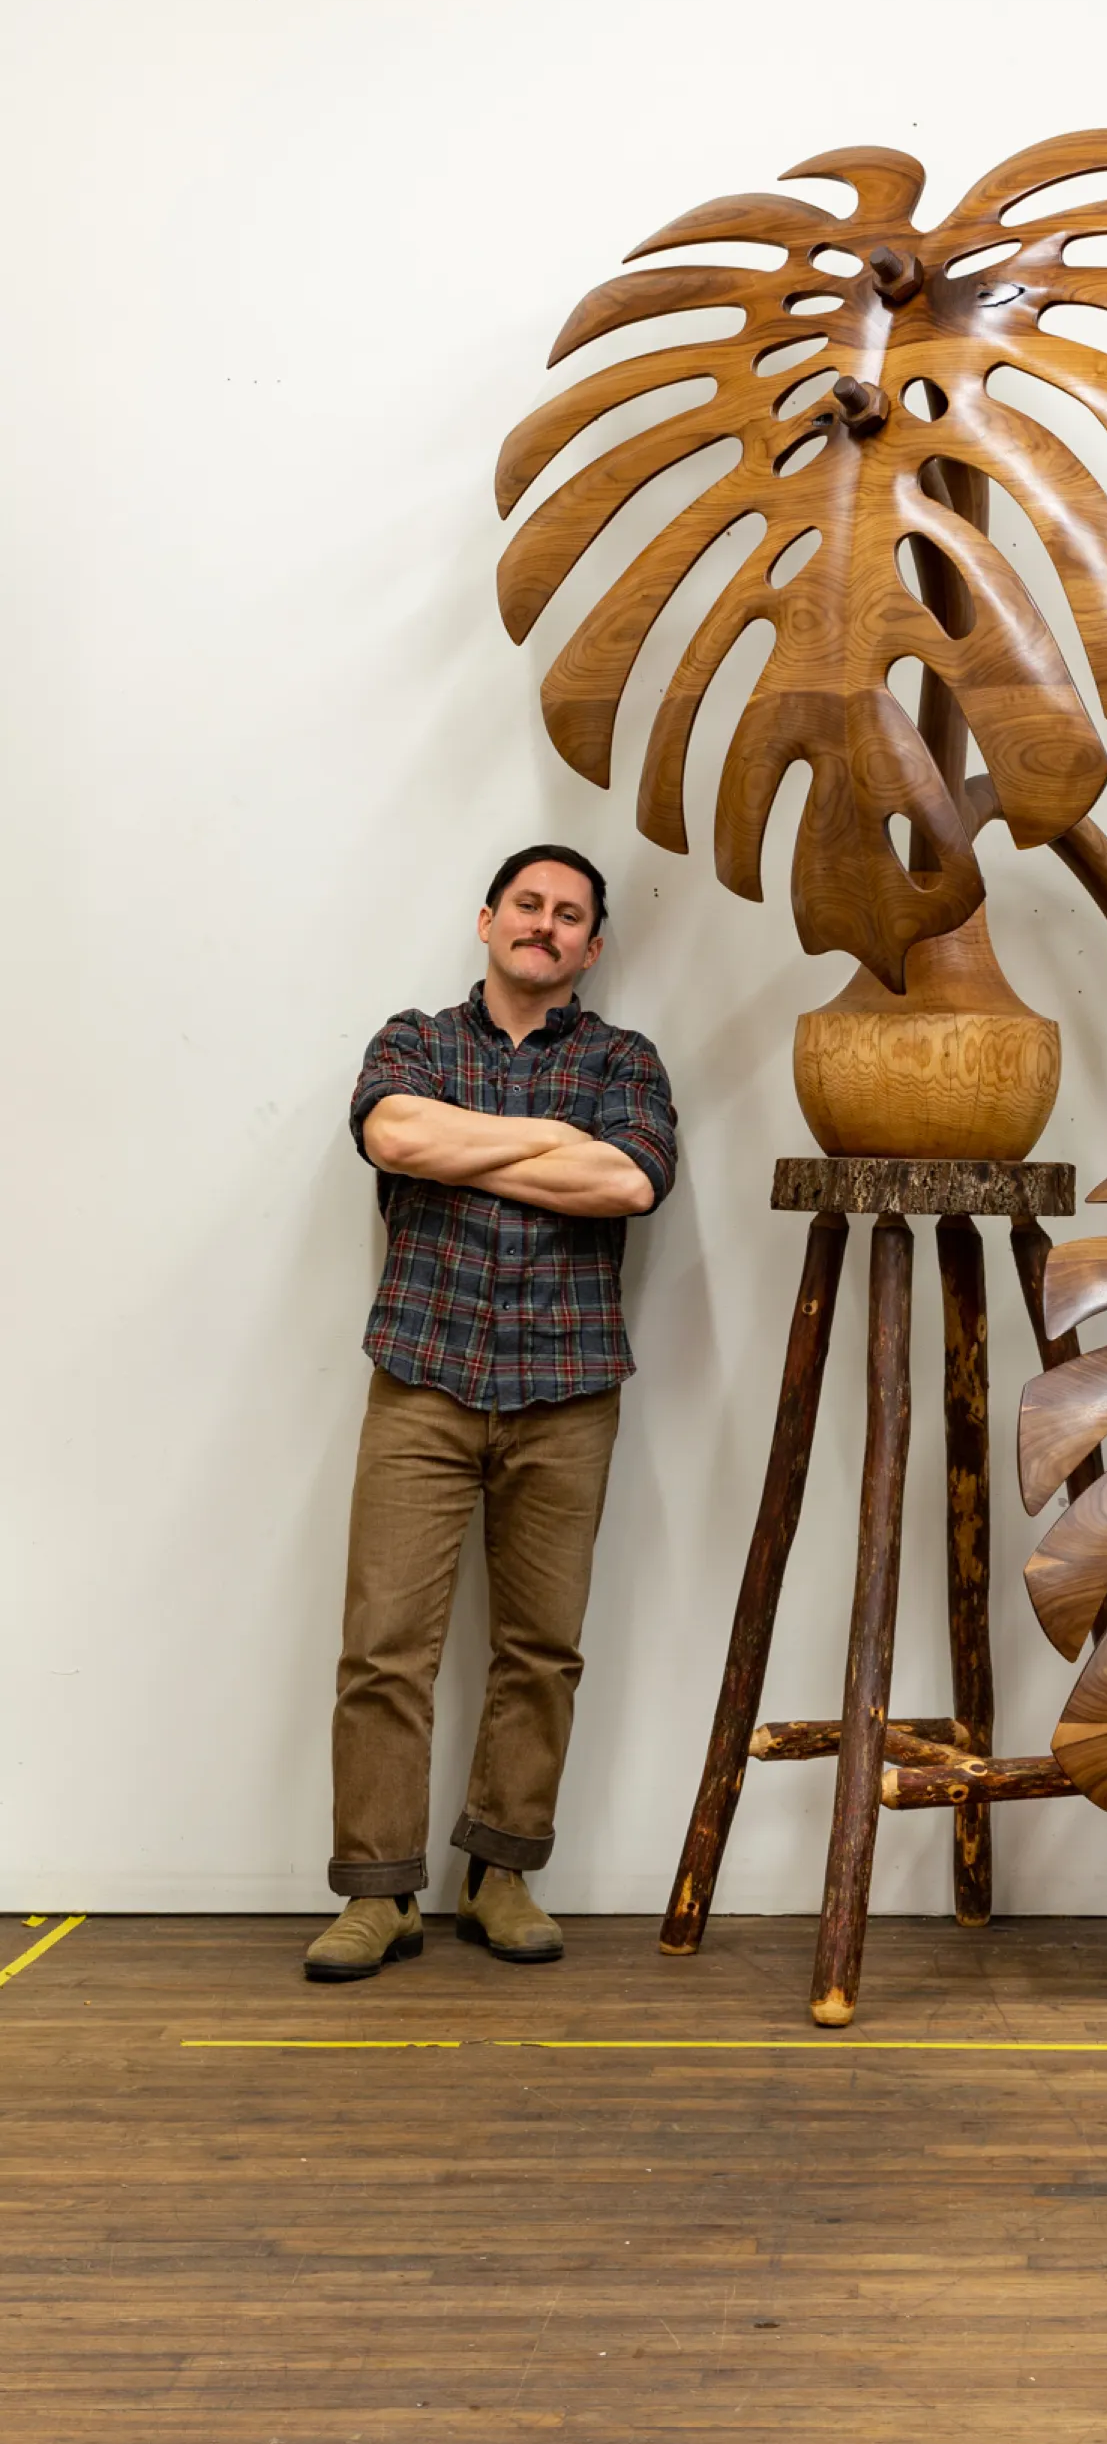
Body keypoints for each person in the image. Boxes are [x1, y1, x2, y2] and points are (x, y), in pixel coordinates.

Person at [303, 847, 677, 1982]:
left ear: (590, 946)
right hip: (421, 1378)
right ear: (487, 920)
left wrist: (480, 1147)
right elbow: (396, 1137)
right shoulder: (413, 1040)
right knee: (383, 1651)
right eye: (529, 905)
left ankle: (501, 1874)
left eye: (570, 915)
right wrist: (554, 1143)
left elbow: (629, 1182)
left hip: (568, 1391)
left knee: (540, 1651)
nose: (546, 926)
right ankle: (381, 1896)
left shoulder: (625, 1059)